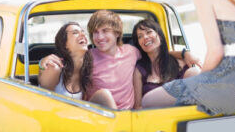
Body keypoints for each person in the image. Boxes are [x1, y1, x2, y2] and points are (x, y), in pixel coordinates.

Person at [40, 10, 201, 109]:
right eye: (95, 32)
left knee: (195, 75)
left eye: (105, 31)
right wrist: (43, 61)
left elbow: (154, 51)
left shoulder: (131, 52)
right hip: (100, 112)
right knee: (104, 94)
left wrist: (184, 53)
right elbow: (67, 59)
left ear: (117, 33)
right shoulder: (88, 56)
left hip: (128, 115)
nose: (100, 37)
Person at [38, 22, 117, 109]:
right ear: (64, 44)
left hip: (78, 117)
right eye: (75, 32)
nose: (82, 34)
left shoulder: (87, 69)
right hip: (54, 117)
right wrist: (42, 63)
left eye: (83, 32)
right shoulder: (54, 67)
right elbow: (42, 100)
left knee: (104, 95)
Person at [132, 19, 201, 109]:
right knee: (146, 100)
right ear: (139, 44)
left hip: (183, 114)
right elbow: (138, 106)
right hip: (156, 118)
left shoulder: (180, 62)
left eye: (149, 32)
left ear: (160, 36)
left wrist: (185, 53)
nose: (145, 37)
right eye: (140, 36)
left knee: (194, 72)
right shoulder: (139, 70)